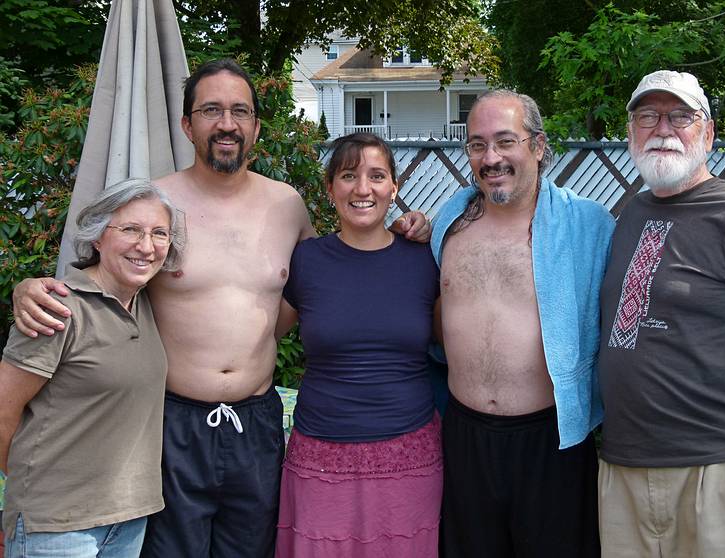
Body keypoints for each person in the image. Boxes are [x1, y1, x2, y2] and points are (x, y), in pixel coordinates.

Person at [10, 58, 430, 558]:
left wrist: (413, 232)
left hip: (255, 423)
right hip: (170, 424)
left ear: (255, 126)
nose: (226, 123)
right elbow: (101, 276)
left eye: (239, 111)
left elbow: (334, 276)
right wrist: (30, 288)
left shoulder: (287, 205)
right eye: (211, 110)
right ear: (188, 124)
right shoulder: (156, 205)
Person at [598, 69, 725, 558]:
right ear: (630, 133)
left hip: (719, 473)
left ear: (707, 132)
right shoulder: (629, 216)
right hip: (623, 472)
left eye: (681, 116)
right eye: (648, 116)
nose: (662, 129)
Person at [429, 89, 615, 557]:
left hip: (551, 441)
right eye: (477, 144)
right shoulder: (448, 222)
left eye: (505, 141)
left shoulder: (588, 226)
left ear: (537, 145)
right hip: (465, 438)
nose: (491, 157)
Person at [274, 133, 441, 557]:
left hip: (410, 453)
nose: (363, 189)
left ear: (394, 188)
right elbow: (258, 337)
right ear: (330, 189)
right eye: (349, 176)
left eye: (377, 176)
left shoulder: (426, 260)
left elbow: (459, 344)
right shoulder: (306, 262)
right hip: (320, 455)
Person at [0, 179, 184, 558]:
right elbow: (2, 410)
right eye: (130, 229)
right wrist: (33, 488)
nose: (146, 246)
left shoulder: (146, 301)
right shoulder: (58, 308)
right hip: (56, 526)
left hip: (128, 518)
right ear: (98, 237)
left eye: (159, 233)